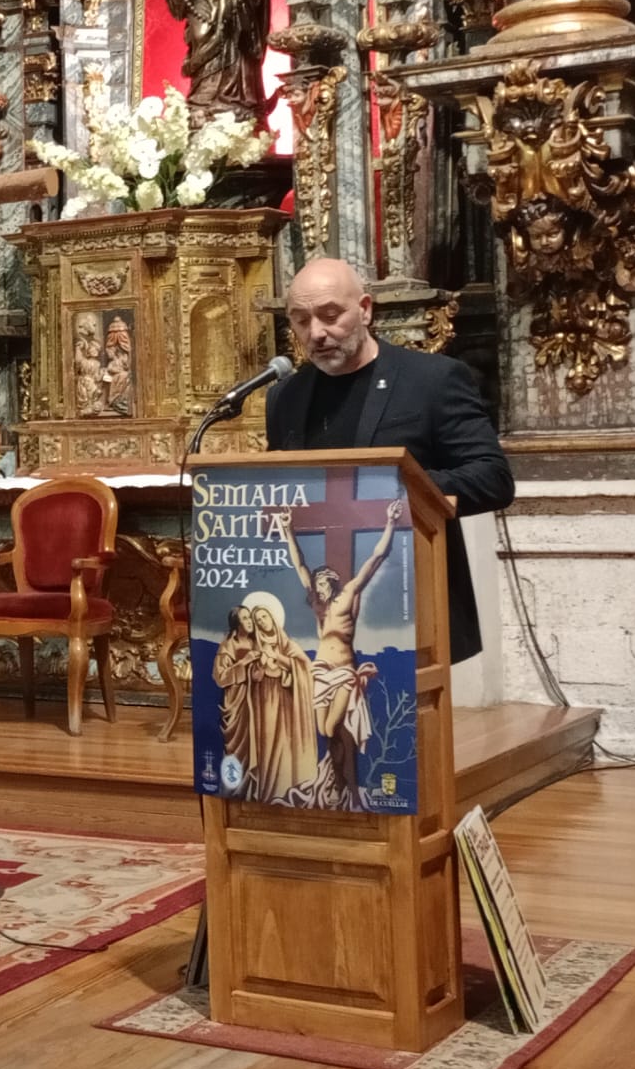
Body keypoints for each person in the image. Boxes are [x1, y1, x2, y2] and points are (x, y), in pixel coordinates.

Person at [267, 258, 514, 665]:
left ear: (365, 309)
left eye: (330, 315)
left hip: (408, 598)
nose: (316, 333)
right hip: (315, 618)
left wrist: (394, 493)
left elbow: (493, 478)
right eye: (300, 320)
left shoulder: (432, 380)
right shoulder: (286, 397)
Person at [270, 501, 402, 810]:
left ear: (331, 582)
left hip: (343, 670)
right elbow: (299, 565)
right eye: (314, 585)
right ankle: (342, 784)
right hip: (320, 670)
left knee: (333, 729)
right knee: (328, 733)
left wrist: (391, 523)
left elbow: (376, 557)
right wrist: (288, 530)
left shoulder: (348, 597)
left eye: (320, 583)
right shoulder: (318, 604)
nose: (317, 588)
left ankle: (350, 787)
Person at [211, 595, 319, 804]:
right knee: (265, 747)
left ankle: (285, 789)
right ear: (237, 623)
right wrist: (252, 670)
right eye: (253, 619)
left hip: (285, 704)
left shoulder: (285, 642)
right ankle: (264, 789)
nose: (257, 622)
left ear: (273, 618)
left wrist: (277, 659)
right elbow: (237, 675)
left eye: (262, 618)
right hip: (259, 703)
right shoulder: (247, 645)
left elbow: (305, 667)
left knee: (284, 746)